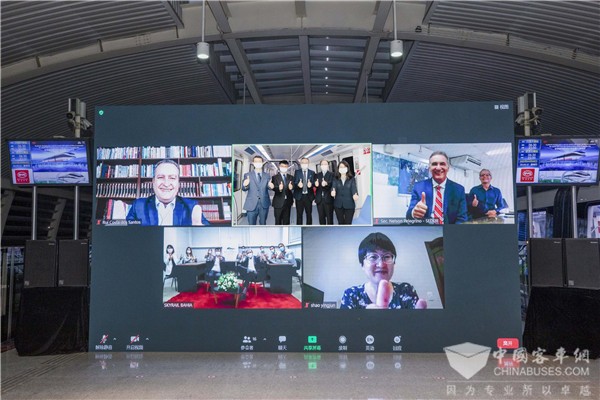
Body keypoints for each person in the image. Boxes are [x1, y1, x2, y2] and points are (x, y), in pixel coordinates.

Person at [340, 232, 427, 309]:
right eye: (373, 257)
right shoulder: (351, 295)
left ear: (394, 263)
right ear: (362, 265)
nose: (381, 264)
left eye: (387, 256)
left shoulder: (406, 290)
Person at [127, 159, 210, 226]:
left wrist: (199, 231)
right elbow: (129, 231)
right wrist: (121, 226)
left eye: (172, 178)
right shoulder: (138, 206)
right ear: (153, 182)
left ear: (178, 183)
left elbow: (207, 232)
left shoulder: (191, 207)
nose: (166, 184)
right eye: (160, 177)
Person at [406, 151, 467, 224]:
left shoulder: (459, 190)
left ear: (448, 168)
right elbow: (408, 216)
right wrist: (413, 213)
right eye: (434, 164)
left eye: (442, 164)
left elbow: (462, 219)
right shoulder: (418, 187)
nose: (438, 168)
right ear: (429, 168)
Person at [242, 155, 271, 225]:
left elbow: (268, 187)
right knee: (251, 224)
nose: (258, 163)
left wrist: (271, 186)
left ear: (263, 163)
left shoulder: (267, 175)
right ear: (253, 163)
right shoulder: (247, 175)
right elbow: (244, 189)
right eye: (256, 162)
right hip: (251, 203)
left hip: (264, 203)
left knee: (263, 223)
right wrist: (245, 185)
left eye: (259, 162)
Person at [331, 160, 358, 225]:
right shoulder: (335, 178)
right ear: (338, 169)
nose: (342, 168)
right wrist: (332, 192)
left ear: (347, 168)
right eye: (341, 167)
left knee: (348, 223)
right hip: (338, 205)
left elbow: (354, 189)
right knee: (340, 223)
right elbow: (333, 187)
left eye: (344, 167)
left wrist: (355, 195)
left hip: (349, 204)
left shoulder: (352, 179)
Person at [291, 157, 315, 225]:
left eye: (306, 163)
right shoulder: (297, 172)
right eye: (303, 163)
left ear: (308, 163)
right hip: (299, 197)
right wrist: (298, 185)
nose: (304, 164)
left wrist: (311, 184)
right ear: (301, 164)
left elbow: (315, 184)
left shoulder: (312, 172)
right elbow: (294, 183)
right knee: (299, 214)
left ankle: (309, 227)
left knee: (309, 214)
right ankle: (299, 227)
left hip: (308, 197)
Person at [270, 160, 294, 225]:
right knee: (278, 221)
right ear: (279, 166)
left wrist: (292, 187)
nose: (284, 168)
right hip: (278, 202)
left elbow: (293, 186)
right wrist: (279, 188)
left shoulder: (291, 177)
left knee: (287, 221)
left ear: (287, 167)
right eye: (282, 166)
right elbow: (273, 188)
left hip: (288, 202)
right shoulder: (274, 177)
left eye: (285, 166)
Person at [314, 159, 334, 225]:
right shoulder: (317, 175)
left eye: (325, 164)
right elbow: (315, 185)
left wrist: (326, 184)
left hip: (328, 199)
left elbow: (332, 184)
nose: (324, 165)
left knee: (329, 218)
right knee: (321, 218)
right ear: (320, 166)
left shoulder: (332, 174)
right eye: (322, 164)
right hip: (319, 200)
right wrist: (315, 185)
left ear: (328, 165)